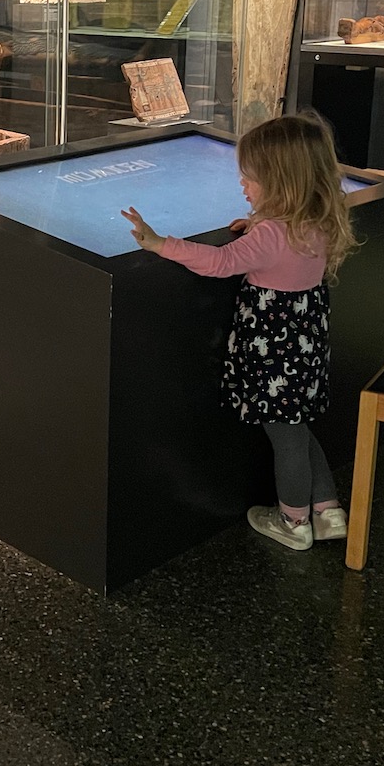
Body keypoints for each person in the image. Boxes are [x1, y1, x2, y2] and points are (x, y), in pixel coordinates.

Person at [121, 115, 358, 551]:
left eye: (249, 179)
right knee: (298, 426)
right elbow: (275, 245)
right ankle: (328, 512)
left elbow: (219, 263)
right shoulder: (318, 221)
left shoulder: (270, 235)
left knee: (283, 434)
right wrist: (258, 225)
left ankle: (294, 523)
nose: (243, 187)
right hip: (304, 346)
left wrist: (160, 243)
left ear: (279, 181)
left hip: (273, 354)